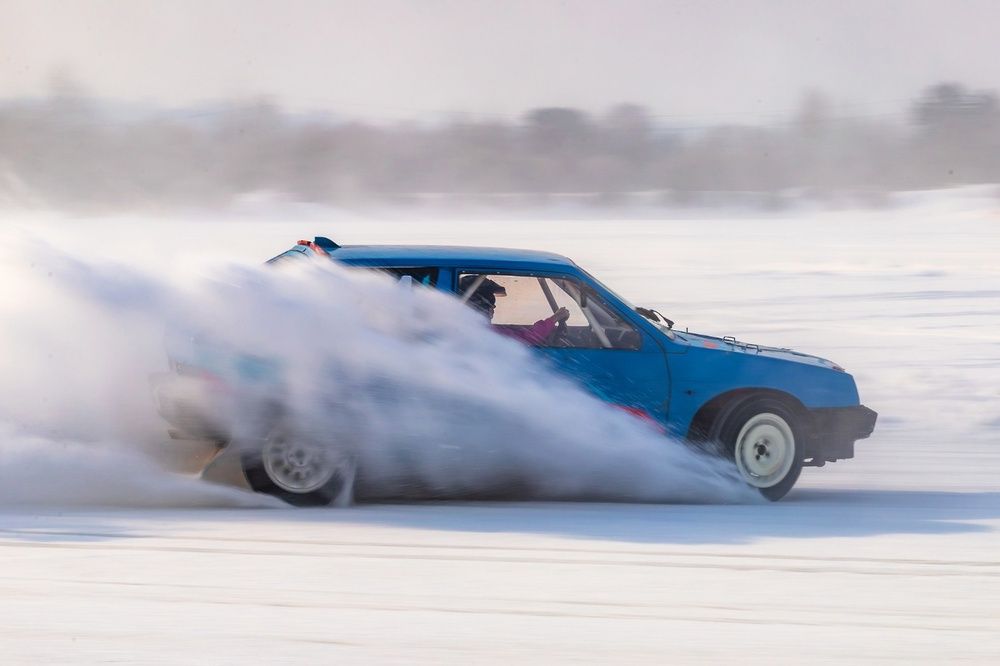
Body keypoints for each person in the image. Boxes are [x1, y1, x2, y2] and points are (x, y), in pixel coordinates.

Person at [459, 275, 570, 345]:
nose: (494, 309)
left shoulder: (471, 330)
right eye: (491, 305)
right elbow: (530, 338)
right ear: (481, 308)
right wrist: (556, 317)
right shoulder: (485, 333)